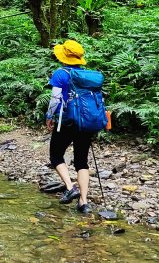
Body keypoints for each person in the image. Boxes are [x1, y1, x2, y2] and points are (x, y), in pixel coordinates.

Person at [46, 39, 94, 214]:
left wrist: (49, 116)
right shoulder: (88, 76)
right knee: (82, 161)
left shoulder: (60, 73)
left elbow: (55, 99)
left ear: (63, 57)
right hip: (86, 122)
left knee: (56, 155)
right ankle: (83, 202)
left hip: (66, 121)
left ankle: (70, 186)